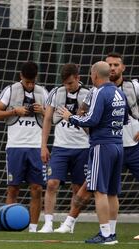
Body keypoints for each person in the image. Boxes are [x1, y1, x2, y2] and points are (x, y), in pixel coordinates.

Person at [55, 53, 139, 238]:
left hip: (102, 145)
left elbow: (91, 119)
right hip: (118, 145)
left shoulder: (100, 92)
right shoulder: (119, 92)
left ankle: (105, 234)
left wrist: (71, 118)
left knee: (98, 190)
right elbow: (124, 119)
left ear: (94, 75)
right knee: (111, 192)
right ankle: (111, 232)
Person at [0, 61, 48, 233]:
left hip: (36, 147)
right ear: (21, 76)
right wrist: (15, 111)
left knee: (36, 188)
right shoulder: (11, 90)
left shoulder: (43, 92)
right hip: (15, 146)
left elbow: (52, 118)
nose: (30, 85)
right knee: (13, 188)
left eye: (32, 81)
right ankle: (9, 224)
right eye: (27, 81)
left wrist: (42, 111)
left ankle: (33, 228)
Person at [38, 64, 90, 233]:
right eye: (65, 84)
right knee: (52, 183)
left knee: (77, 188)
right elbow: (47, 119)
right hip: (60, 147)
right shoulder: (56, 92)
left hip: (82, 147)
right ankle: (47, 223)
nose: (68, 87)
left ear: (77, 78)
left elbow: (92, 123)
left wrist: (77, 118)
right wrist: (43, 146)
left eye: (70, 83)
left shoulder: (88, 94)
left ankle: (70, 223)